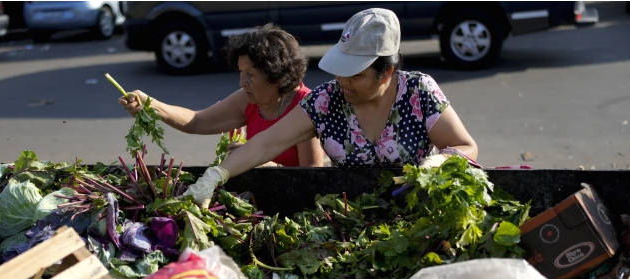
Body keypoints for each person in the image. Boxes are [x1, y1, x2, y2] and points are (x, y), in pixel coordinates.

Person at [185, 8, 479, 207]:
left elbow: (465, 146)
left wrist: (437, 164)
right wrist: (215, 176)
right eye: (340, 72)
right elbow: (266, 143)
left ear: (386, 72)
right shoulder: (327, 102)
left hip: (417, 214)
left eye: (356, 76)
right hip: (350, 218)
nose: (343, 82)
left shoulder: (418, 91)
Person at [119, 24, 325, 168]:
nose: (242, 82)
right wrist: (151, 105)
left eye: (251, 75)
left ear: (277, 76)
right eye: (241, 72)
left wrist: (265, 165)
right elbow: (197, 122)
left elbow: (313, 172)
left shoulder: (305, 106)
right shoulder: (249, 99)